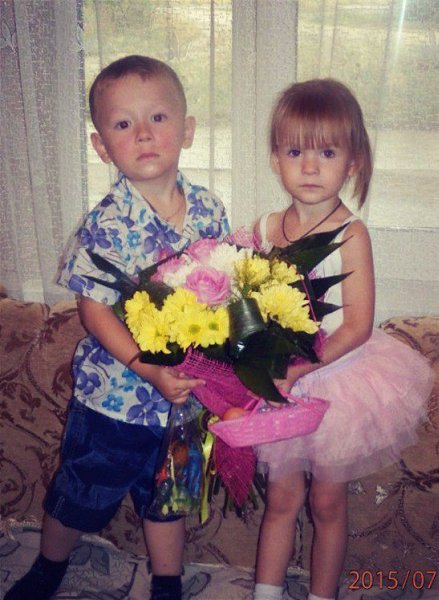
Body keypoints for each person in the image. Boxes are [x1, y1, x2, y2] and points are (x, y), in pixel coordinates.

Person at [5, 55, 230, 600]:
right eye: (124, 124)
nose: (144, 134)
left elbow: (225, 289)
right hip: (115, 401)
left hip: (184, 402)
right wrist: (146, 368)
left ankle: (167, 582)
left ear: (188, 130)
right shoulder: (104, 224)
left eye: (158, 117)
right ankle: (49, 567)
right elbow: (95, 310)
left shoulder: (209, 209)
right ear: (102, 146)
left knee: (168, 497)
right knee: (80, 492)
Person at [251, 79, 434, 600]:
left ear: (352, 162)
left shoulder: (351, 234)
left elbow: (357, 325)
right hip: (281, 388)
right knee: (281, 500)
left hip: (338, 383)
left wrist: (301, 369)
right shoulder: (264, 230)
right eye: (296, 152)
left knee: (326, 503)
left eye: (327, 153)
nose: (310, 167)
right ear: (276, 159)